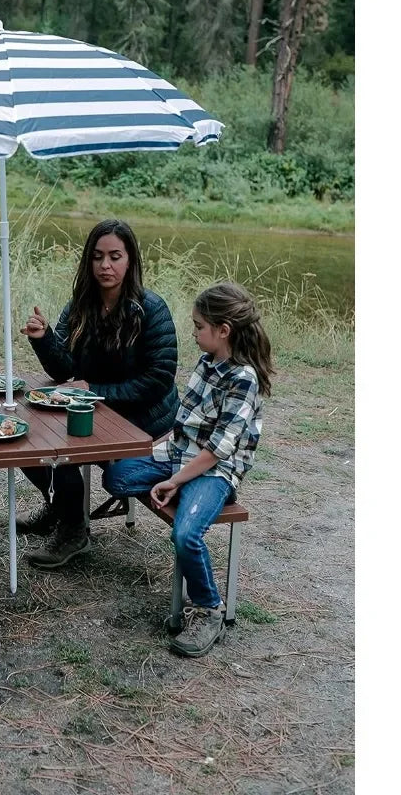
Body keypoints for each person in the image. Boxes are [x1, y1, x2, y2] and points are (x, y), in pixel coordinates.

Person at [103, 281, 274, 657]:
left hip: (214, 471)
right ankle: (181, 488)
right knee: (115, 477)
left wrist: (174, 481)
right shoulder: (207, 361)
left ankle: (209, 609)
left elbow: (216, 451)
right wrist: (150, 451)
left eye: (199, 326)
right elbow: (184, 425)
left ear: (223, 330)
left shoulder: (244, 380)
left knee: (186, 535)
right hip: (180, 454)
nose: (193, 333)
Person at [18, 219, 179, 569]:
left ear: (130, 260)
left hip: (143, 417)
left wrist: (94, 391)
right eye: (98, 256)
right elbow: (63, 369)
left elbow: (158, 380)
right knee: (26, 435)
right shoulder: (81, 304)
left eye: (115, 256)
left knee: (64, 445)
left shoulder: (152, 309)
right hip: (94, 407)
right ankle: (62, 510)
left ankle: (74, 531)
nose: (105, 265)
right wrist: (44, 338)